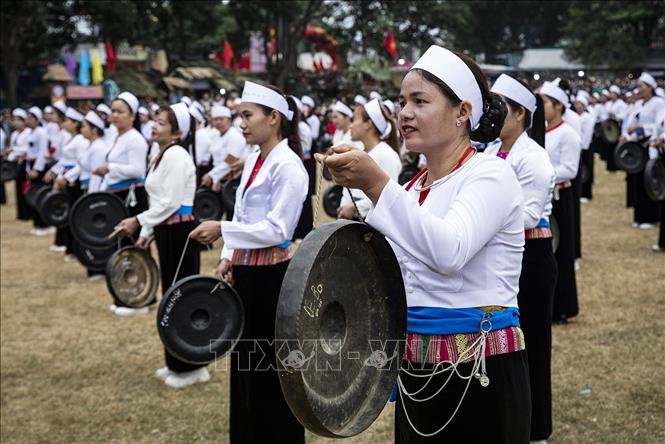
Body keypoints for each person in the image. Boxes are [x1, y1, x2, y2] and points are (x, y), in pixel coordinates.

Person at [320, 45, 529, 443]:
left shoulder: (490, 174)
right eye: (402, 102)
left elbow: (449, 252)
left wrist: (376, 184)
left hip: (480, 368)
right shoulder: (415, 187)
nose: (405, 113)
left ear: (462, 112)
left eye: (420, 101)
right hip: (417, 367)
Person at [189, 80, 308, 443]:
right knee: (245, 367)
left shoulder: (289, 166)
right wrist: (228, 257)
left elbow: (278, 229)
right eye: (240, 115)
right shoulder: (256, 158)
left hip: (272, 279)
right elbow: (241, 213)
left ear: (274, 118)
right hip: (246, 275)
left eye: (247, 115)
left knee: (271, 370)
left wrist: (222, 231)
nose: (241, 122)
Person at [114, 103, 206, 386]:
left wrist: (138, 221)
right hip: (166, 230)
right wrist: (148, 231)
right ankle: (175, 362)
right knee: (171, 294)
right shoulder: (159, 153)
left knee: (181, 296)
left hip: (180, 232)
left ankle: (192, 367)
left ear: (177, 132)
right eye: (154, 120)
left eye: (162, 123)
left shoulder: (177, 155)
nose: (154, 125)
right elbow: (159, 200)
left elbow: (171, 203)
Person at [487, 74, 557, 444]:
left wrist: (489, 211)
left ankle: (537, 429)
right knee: (507, 342)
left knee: (533, 341)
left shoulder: (535, 158)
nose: (494, 115)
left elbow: (529, 215)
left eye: (501, 108)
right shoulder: (490, 151)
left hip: (531, 256)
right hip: (503, 253)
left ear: (519, 115)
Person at [540, 81, 582, 323]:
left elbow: (570, 169)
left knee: (562, 251)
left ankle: (563, 306)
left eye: (545, 102)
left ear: (558, 106)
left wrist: (542, 172)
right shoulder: (542, 132)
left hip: (560, 197)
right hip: (545, 195)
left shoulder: (568, 134)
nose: (542, 106)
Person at [338, 98, 402, 220]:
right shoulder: (361, 152)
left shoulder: (387, 155)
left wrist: (355, 208)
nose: (351, 126)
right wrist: (345, 207)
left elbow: (388, 195)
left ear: (368, 124)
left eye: (355, 120)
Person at [44, 107, 87, 262]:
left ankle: (75, 249)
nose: (65, 123)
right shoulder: (70, 139)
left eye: (68, 120)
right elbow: (64, 160)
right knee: (67, 214)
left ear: (75, 124)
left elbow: (82, 164)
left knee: (74, 215)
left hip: (74, 182)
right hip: (66, 179)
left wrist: (66, 177)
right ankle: (68, 246)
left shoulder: (81, 141)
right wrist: (55, 172)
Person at [623, 73, 664, 229]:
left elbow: (658, 125)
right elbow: (630, 122)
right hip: (638, 146)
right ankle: (640, 216)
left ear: (650, 87)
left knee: (650, 179)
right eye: (638, 86)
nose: (639, 89)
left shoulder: (658, 104)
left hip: (651, 145)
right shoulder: (640, 105)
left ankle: (652, 217)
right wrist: (629, 133)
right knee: (639, 179)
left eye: (642, 86)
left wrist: (642, 128)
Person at [25, 106, 51, 235]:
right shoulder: (30, 133)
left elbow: (43, 152)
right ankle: (37, 222)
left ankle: (44, 224)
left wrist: (36, 169)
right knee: (33, 195)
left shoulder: (41, 132)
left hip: (39, 166)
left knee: (40, 195)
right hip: (31, 164)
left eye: (30, 118)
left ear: (37, 119)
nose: (27, 120)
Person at [6, 109, 31, 221]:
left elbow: (27, 148)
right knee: (17, 188)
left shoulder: (29, 133)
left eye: (18, 120)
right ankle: (21, 213)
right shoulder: (14, 134)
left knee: (25, 187)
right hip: (16, 164)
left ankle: (27, 212)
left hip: (25, 163)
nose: (16, 123)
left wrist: (15, 150)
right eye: (14, 120)